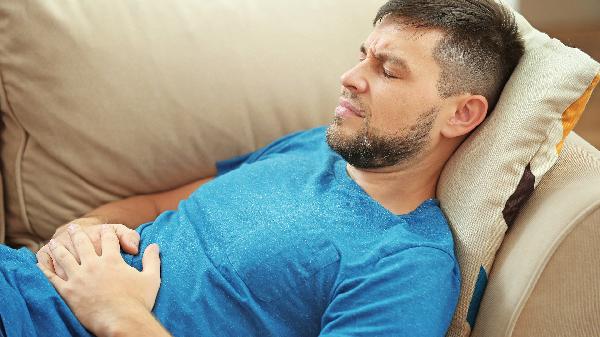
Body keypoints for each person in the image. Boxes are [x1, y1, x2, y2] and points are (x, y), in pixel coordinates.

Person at [0, 0, 524, 336]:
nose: (349, 77)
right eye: (362, 56)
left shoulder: (407, 268)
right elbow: (159, 204)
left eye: (387, 70)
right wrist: (85, 227)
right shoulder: (315, 147)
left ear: (462, 113)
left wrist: (117, 314)